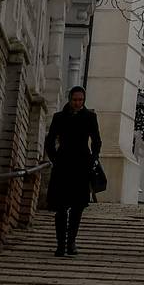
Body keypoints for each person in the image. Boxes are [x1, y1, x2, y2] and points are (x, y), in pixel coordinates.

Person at [43, 86, 102, 257]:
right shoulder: (59, 117)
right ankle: (60, 244)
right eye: (75, 100)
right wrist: (55, 158)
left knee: (77, 207)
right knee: (61, 207)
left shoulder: (90, 117)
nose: (78, 103)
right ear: (70, 99)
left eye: (81, 100)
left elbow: (97, 140)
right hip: (63, 165)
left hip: (82, 165)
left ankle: (71, 242)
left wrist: (93, 158)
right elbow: (50, 140)